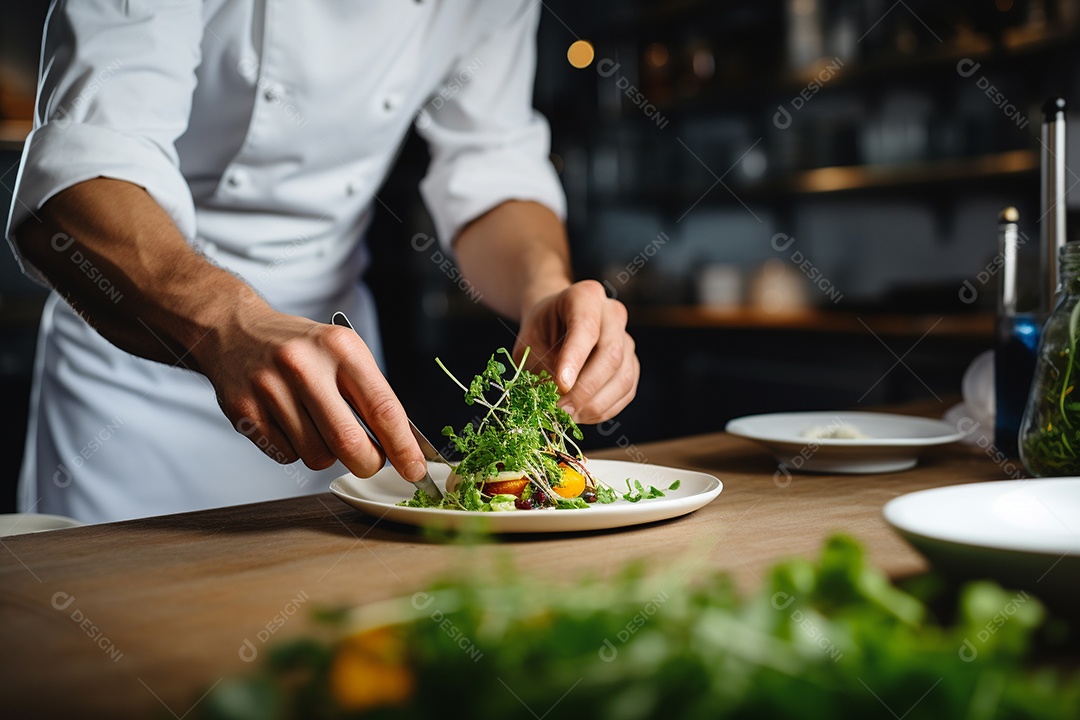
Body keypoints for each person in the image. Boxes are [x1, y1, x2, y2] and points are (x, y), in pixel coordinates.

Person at [5, 1, 639, 524]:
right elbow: (76, 182)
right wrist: (224, 320)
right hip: (138, 372)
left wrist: (543, 289)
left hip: (342, 391)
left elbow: (492, 167)